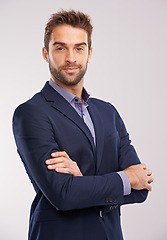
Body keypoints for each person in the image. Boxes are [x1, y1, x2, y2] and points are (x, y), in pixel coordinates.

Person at [12, 10, 153, 240]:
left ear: (89, 53)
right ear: (45, 53)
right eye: (60, 48)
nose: (71, 58)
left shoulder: (108, 111)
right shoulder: (31, 113)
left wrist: (83, 182)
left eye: (79, 48)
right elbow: (63, 194)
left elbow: (141, 189)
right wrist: (124, 179)